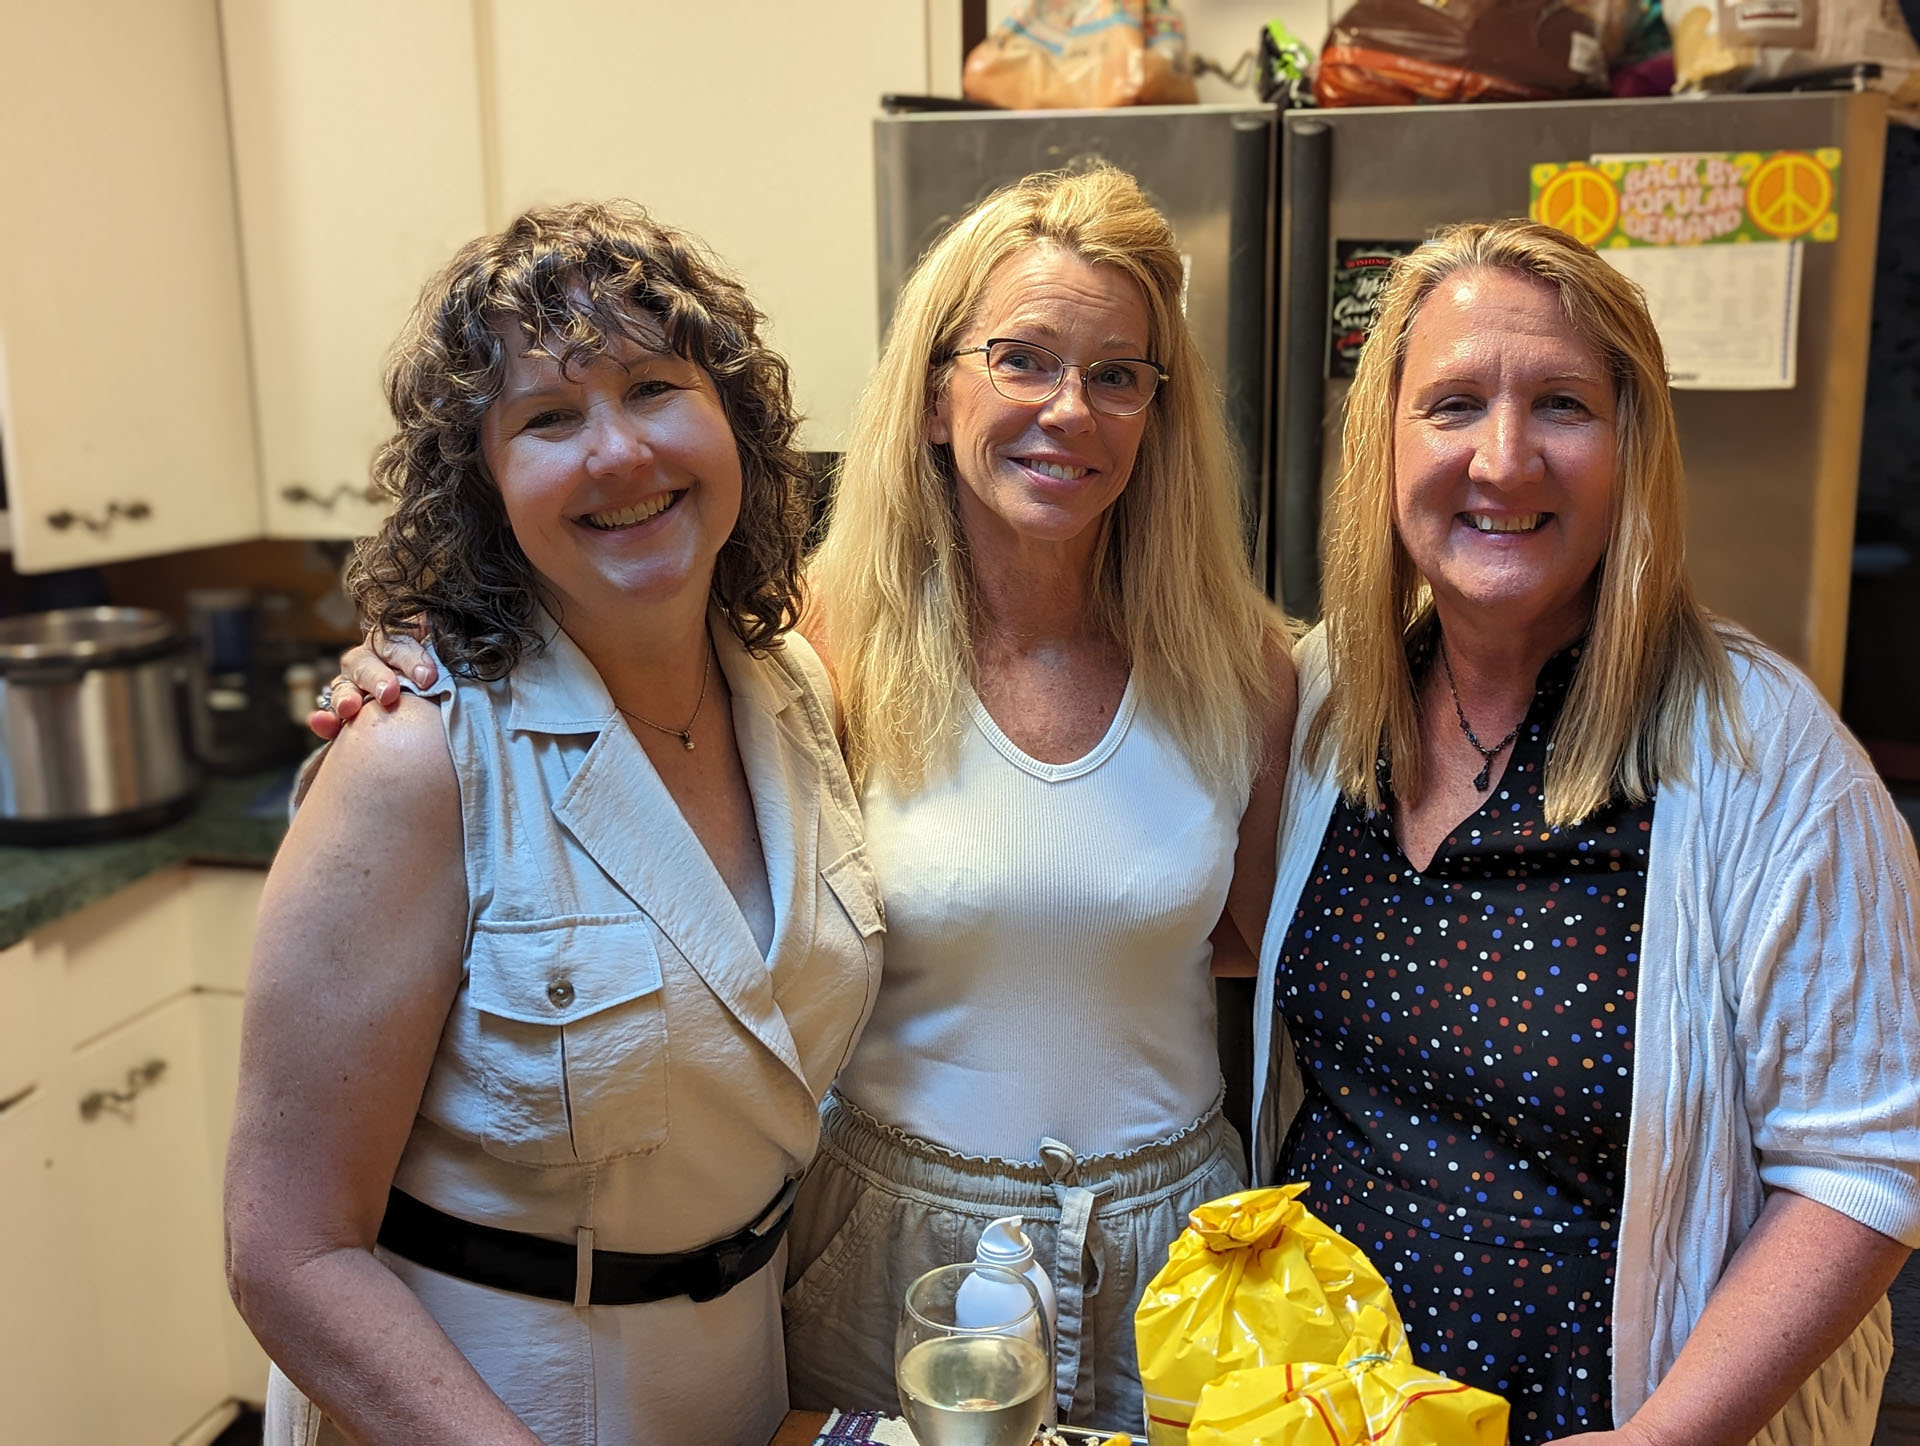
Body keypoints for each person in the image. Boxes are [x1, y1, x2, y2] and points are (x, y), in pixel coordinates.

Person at [321, 166, 1295, 1433]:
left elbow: (1253, 939)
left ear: (1158, 415)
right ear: (936, 394)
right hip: (886, 1245)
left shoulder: (1241, 664)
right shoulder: (804, 646)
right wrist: (419, 649)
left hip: (1182, 1249)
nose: (1071, 408)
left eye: (1119, 375)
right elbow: (598, 665)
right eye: (1021, 359)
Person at [1249, 218, 1920, 1446]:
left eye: (1562, 404)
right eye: (1454, 405)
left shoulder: (1771, 759)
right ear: (1385, 444)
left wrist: (1666, 1439)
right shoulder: (1333, 694)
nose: (1505, 461)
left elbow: (1864, 1165)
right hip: (1317, 1406)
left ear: (1632, 449)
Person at [224, 201, 881, 1446]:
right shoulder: (417, 757)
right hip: (491, 1400)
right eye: (547, 418)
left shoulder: (795, 691)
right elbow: (287, 1252)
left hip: (737, 1378)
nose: (619, 453)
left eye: (653, 387)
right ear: (485, 486)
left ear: (735, 423)